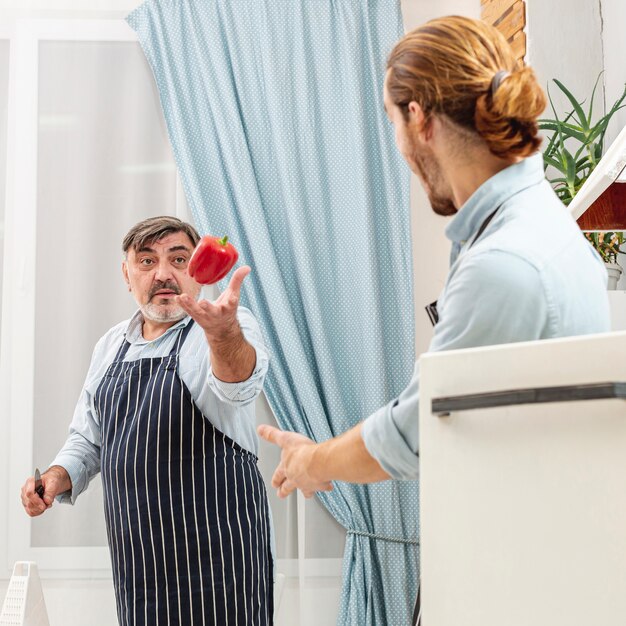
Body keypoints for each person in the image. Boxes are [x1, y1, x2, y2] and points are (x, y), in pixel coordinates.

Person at [257, 15, 611, 625]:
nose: (397, 146)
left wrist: (314, 461)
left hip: (509, 580)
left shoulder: (504, 264)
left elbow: (417, 432)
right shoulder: (537, 230)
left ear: (419, 118)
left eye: (393, 123)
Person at [20, 216, 274, 626]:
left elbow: (238, 386)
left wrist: (223, 335)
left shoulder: (226, 326)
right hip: (139, 566)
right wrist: (55, 476)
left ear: (197, 270)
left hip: (219, 561)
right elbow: (87, 439)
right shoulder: (110, 346)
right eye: (146, 261)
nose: (162, 274)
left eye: (178, 259)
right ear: (127, 274)